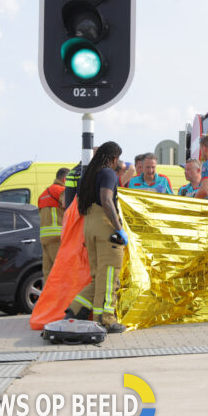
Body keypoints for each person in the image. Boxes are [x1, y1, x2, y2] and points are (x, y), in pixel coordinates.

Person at [66, 141, 127, 333]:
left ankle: (75, 311)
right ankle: (106, 320)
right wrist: (118, 229)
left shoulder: (88, 175)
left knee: (98, 277)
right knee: (110, 277)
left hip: (89, 225)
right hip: (105, 227)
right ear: (114, 158)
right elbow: (107, 200)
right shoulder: (108, 173)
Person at [38, 167, 69, 279]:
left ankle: (48, 297)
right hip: (57, 237)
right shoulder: (60, 191)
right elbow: (68, 204)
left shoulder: (43, 194)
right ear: (65, 179)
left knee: (48, 275)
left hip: (45, 239)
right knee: (62, 273)